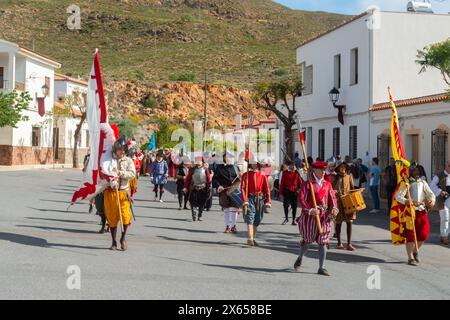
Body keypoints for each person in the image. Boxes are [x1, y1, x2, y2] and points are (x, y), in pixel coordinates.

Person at [294, 161, 339, 276]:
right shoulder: (307, 184)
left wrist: (334, 208)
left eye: (325, 170)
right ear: (315, 170)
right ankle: (300, 256)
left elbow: (332, 199)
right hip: (310, 216)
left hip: (324, 216)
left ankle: (321, 267)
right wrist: (309, 210)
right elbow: (302, 199)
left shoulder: (327, 184)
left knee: (323, 242)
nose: (324, 172)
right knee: (308, 240)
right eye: (321, 170)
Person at [395, 164, 436, 265]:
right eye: (415, 171)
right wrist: (406, 201)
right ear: (411, 172)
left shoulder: (423, 182)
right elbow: (398, 196)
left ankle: (415, 251)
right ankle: (410, 258)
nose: (417, 173)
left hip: (422, 211)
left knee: (423, 234)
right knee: (410, 235)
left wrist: (431, 201)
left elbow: (431, 194)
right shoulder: (406, 183)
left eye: (418, 171)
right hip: (410, 212)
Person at [103, 137, 136, 251]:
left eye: (123, 149)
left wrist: (119, 173)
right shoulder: (108, 159)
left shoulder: (128, 161)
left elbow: (132, 174)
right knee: (112, 218)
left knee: (125, 217)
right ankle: (113, 241)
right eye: (119, 149)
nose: (121, 151)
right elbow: (102, 173)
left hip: (123, 193)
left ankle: (123, 238)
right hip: (110, 193)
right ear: (115, 149)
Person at [241, 156, 272, 247]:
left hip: (259, 199)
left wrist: (268, 201)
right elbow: (242, 188)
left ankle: (253, 238)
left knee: (257, 219)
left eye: (255, 163)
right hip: (249, 198)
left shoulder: (262, 175)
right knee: (250, 217)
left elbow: (266, 189)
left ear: (258, 164)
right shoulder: (245, 175)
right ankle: (250, 238)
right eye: (252, 163)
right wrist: (245, 199)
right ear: (250, 164)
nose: (254, 165)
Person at [331, 160, 357, 251]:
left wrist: (355, 195)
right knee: (338, 222)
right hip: (338, 202)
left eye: (344, 167)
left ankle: (349, 243)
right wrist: (334, 192)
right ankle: (339, 242)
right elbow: (330, 189)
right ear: (338, 168)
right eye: (341, 167)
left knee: (349, 222)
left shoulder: (349, 177)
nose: (343, 169)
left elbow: (352, 189)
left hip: (348, 202)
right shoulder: (334, 177)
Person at [215, 151, 241, 233]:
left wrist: (238, 184)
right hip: (224, 190)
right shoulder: (219, 168)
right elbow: (215, 179)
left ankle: (233, 226)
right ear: (223, 158)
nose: (228, 158)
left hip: (234, 190)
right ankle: (227, 226)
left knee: (234, 209)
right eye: (226, 157)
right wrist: (219, 186)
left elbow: (239, 179)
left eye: (230, 157)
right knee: (226, 208)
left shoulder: (236, 167)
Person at [184, 156, 212, 222]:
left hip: (203, 188)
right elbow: (188, 179)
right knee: (192, 202)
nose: (198, 162)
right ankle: (194, 214)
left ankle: (200, 215)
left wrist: (209, 187)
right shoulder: (192, 169)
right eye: (197, 161)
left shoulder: (205, 169)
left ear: (202, 162)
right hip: (194, 188)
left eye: (200, 161)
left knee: (202, 203)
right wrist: (185, 187)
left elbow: (208, 179)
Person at [430, 160, 450, 245]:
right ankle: (445, 236)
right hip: (442, 200)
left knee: (449, 219)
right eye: (449, 165)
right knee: (445, 218)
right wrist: (440, 191)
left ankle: (444, 235)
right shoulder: (439, 175)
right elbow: (432, 186)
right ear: (446, 165)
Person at [279, 160, 303, 225]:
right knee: (286, 205)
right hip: (286, 191)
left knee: (294, 206)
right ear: (289, 166)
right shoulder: (285, 173)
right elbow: (282, 183)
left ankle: (293, 220)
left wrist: (299, 189)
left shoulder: (297, 173)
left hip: (294, 191)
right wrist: (280, 193)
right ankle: (286, 218)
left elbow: (300, 182)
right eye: (291, 165)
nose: (292, 166)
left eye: (293, 165)